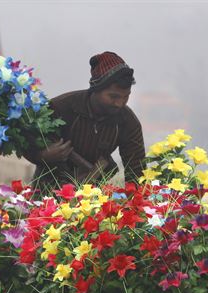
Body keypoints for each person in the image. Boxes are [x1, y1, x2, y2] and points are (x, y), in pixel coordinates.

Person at [25, 51, 146, 193]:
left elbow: (137, 173)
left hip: (91, 196)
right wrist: (43, 156)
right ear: (95, 89)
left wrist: (135, 205)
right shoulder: (59, 107)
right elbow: (27, 142)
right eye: (113, 96)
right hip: (46, 191)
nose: (119, 103)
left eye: (126, 97)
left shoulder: (128, 122)